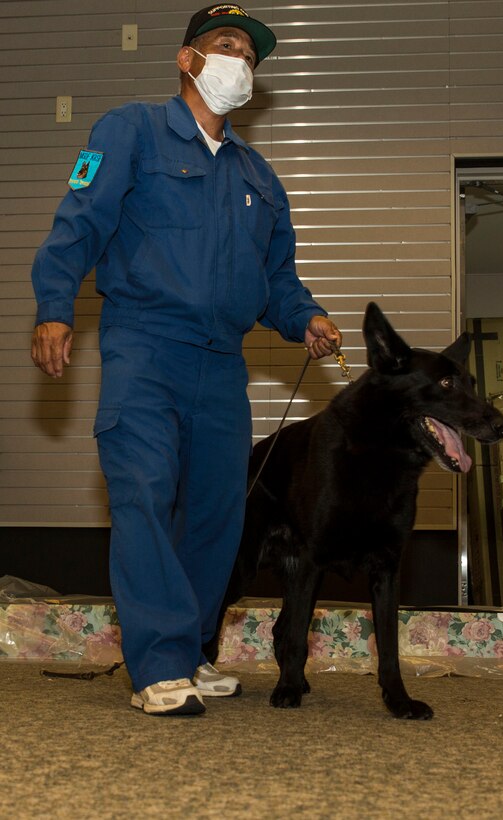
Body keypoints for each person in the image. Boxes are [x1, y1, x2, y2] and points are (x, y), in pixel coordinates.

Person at [30, 4, 342, 716]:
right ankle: (159, 663)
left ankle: (192, 650)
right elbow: (78, 223)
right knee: (143, 493)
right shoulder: (130, 130)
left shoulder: (259, 176)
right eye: (227, 45)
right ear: (188, 58)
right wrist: (53, 307)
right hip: (144, 346)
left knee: (214, 515)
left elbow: (278, 280)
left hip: (222, 366)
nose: (241, 62)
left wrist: (307, 318)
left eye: (251, 57)